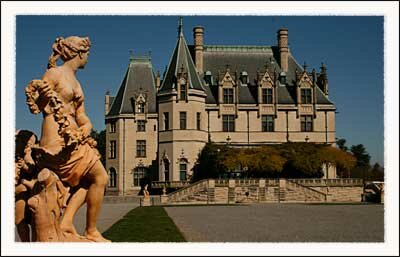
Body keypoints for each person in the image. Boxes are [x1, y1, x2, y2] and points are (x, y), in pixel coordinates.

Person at [25, 36, 109, 242]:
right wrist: (43, 94)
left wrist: (87, 125)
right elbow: (36, 105)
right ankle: (90, 230)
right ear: (79, 53)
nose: (88, 58)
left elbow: (81, 115)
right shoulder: (55, 73)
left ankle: (67, 222)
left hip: (73, 137)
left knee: (96, 179)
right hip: (56, 140)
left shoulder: (77, 83)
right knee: (100, 177)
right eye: (87, 53)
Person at [15, 130, 37, 242]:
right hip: (19, 189)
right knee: (19, 221)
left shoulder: (29, 154)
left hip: (25, 190)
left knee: (26, 221)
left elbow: (32, 168)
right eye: (29, 142)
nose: (30, 145)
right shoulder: (16, 152)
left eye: (33, 142)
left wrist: (25, 162)